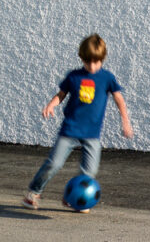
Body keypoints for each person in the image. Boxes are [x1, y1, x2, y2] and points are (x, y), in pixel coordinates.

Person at [22, 33, 133, 212]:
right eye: (87, 62)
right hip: (70, 130)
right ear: (81, 58)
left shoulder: (107, 78)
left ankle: (73, 198)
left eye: (96, 62)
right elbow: (61, 95)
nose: (92, 66)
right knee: (54, 163)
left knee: (89, 173)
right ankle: (33, 193)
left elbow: (119, 99)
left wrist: (125, 121)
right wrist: (51, 105)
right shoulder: (74, 76)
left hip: (92, 134)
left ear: (102, 59)